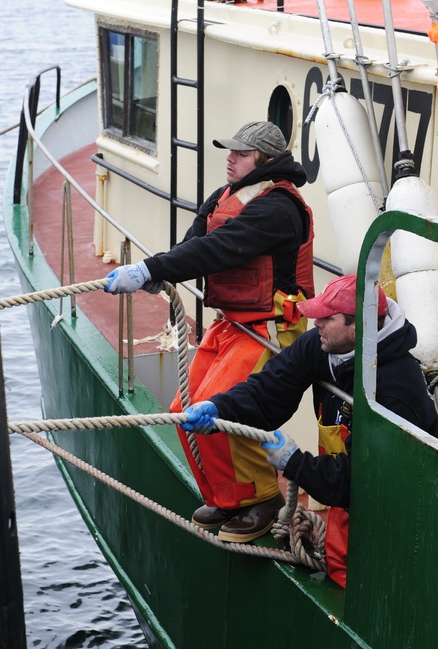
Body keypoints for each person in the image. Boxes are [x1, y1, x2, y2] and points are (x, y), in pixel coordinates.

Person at [103, 121, 316, 543]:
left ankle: (263, 498)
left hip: (269, 328)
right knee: (186, 406)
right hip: (231, 323)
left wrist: (152, 267)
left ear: (265, 161)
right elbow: (196, 242)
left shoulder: (278, 209)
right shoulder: (224, 197)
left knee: (221, 408)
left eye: (240, 153)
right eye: (229, 151)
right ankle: (227, 497)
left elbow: (222, 247)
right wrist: (162, 272)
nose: (230, 158)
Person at [182, 274, 438, 586]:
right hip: (356, 492)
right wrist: (219, 408)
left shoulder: (393, 391)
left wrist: (295, 464)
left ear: (358, 327)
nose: (316, 322)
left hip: (411, 508)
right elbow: (270, 389)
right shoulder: (325, 346)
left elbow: (364, 484)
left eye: (328, 317)